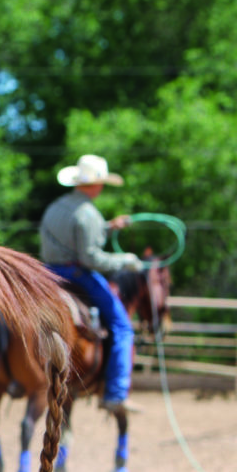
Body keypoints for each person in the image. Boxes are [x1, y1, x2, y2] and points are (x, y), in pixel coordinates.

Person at [39, 154, 143, 413]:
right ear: (97, 185)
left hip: (47, 273)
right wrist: (125, 260)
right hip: (76, 274)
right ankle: (116, 394)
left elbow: (73, 236)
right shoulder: (88, 214)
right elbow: (91, 258)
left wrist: (108, 227)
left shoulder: (56, 207)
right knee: (122, 327)